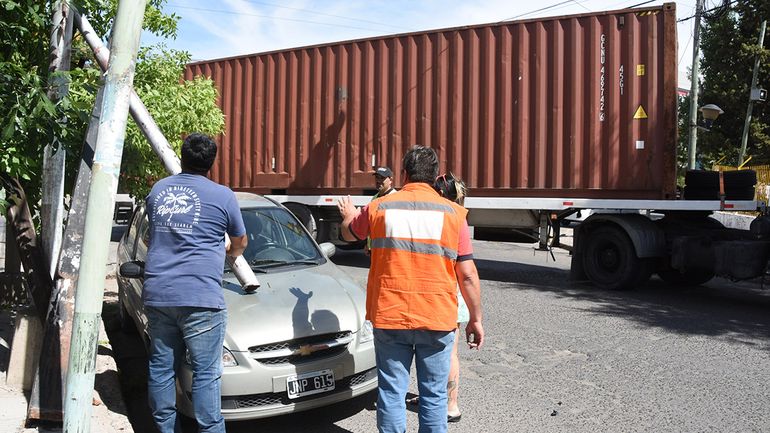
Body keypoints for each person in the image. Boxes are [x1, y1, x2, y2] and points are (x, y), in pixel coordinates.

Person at [338, 145, 484, 433]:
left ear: (404, 174)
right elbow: (467, 275)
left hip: (390, 315)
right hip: (437, 317)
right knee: (434, 396)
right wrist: (475, 319)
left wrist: (348, 216)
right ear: (435, 176)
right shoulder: (454, 214)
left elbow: (349, 233)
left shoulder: (379, 207)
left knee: (391, 393)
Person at [143, 133, 248, 433]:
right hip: (201, 296)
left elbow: (157, 233)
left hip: (159, 293)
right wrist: (230, 252)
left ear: (182, 156)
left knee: (162, 369)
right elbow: (240, 241)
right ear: (212, 163)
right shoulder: (223, 196)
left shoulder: (159, 190)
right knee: (206, 374)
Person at [365, 166, 397, 255]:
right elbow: (372, 223)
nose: (378, 181)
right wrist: (368, 245)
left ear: (390, 180)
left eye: (382, 178)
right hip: (375, 249)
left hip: (390, 250)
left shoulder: (395, 198)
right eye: (377, 177)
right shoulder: (374, 198)